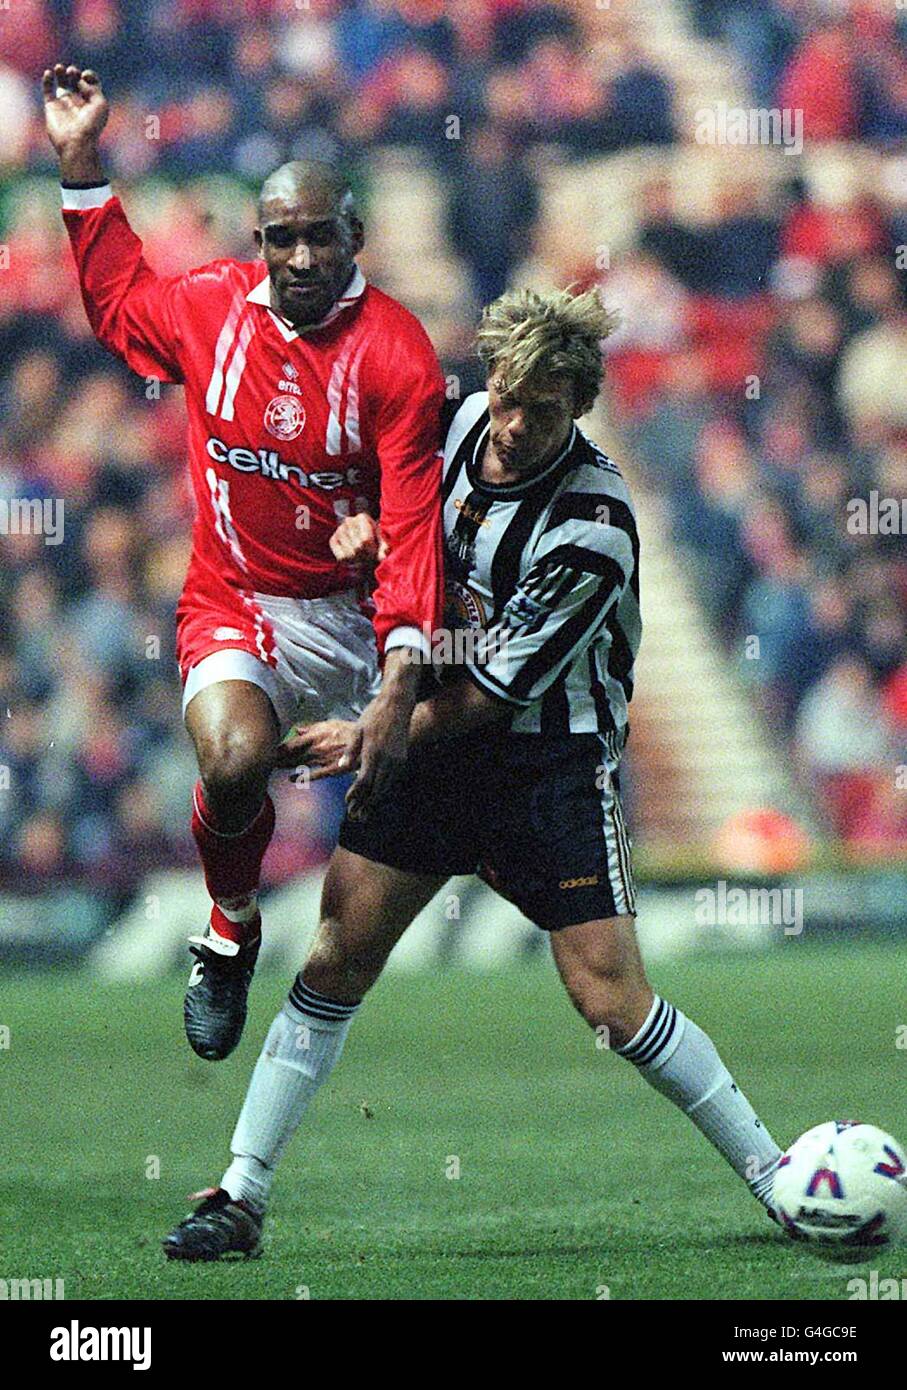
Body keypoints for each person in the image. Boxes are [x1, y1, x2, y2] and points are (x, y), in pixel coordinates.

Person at [163, 286, 783, 1261]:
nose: (512, 421)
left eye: (540, 407)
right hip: (425, 749)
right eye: (503, 395)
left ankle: (777, 1180)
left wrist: (368, 730)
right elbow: (370, 514)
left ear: (577, 404)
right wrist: (357, 536)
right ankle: (240, 1194)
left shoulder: (593, 522)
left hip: (546, 762)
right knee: (334, 955)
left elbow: (493, 692)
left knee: (610, 1000)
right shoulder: (445, 432)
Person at [43, 64, 445, 1061]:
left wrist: (397, 683)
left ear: (354, 235)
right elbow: (118, 303)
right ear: (256, 242)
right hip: (237, 600)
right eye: (281, 238)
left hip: (358, 612)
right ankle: (228, 929)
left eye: (319, 235)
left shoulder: (398, 353)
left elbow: (416, 526)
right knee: (231, 760)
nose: (301, 256)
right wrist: (83, 162)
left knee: (457, 763)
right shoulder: (212, 309)